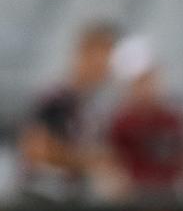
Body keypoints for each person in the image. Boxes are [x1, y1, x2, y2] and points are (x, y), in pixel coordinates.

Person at [16, 21, 119, 201]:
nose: (108, 64)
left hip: (73, 200)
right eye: (104, 54)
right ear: (84, 53)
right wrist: (88, 161)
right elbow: (35, 149)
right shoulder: (56, 99)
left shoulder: (93, 104)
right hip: (43, 199)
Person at [105, 36, 183, 200]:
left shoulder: (174, 119)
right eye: (138, 82)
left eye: (148, 79)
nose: (145, 88)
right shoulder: (117, 123)